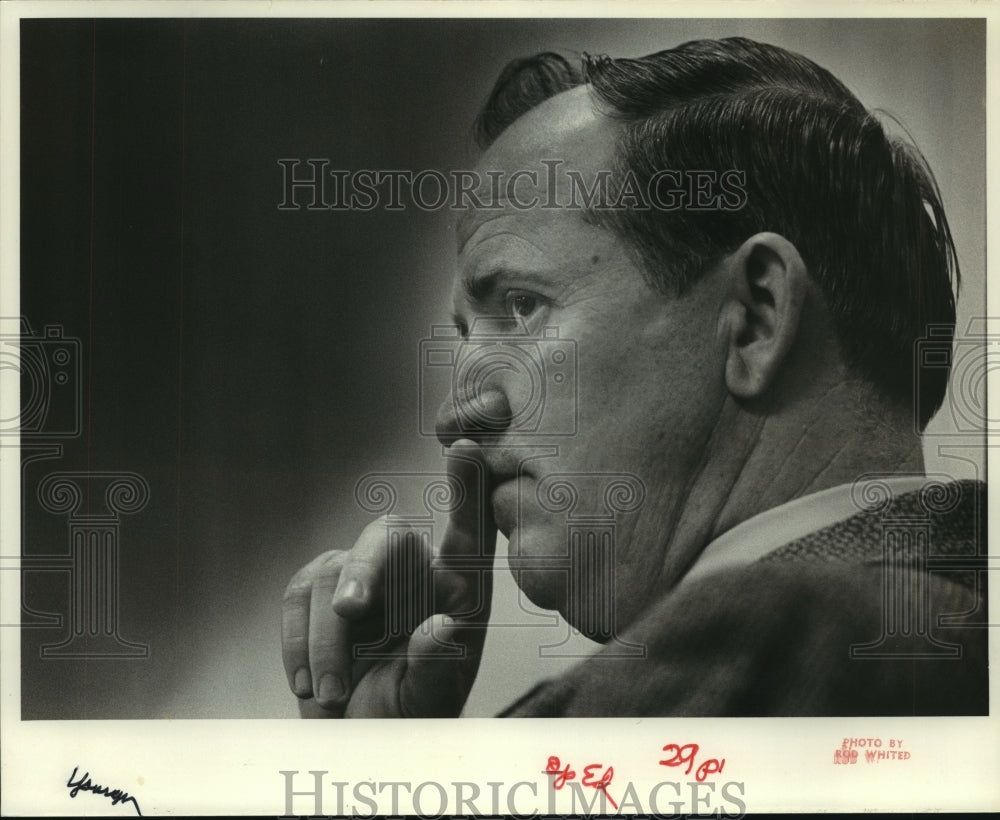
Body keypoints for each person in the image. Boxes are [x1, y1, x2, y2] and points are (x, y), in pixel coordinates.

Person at [281, 37, 987, 717]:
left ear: (756, 319)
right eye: (468, 333)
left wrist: (374, 776)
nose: (456, 414)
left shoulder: (774, 634)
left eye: (522, 307)